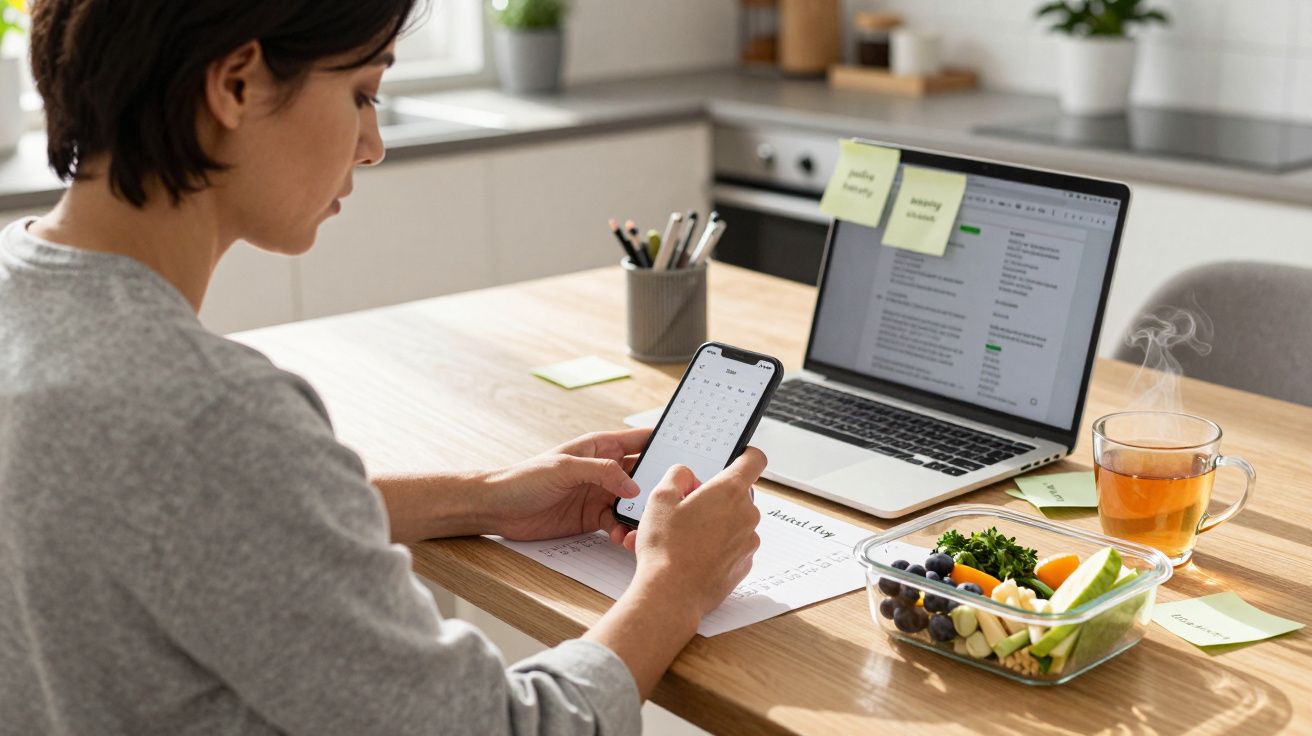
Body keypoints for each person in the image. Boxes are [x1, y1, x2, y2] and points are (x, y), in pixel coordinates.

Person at [0, 2, 764, 734]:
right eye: (360, 93)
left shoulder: (19, 290)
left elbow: (176, 508)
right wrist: (675, 584)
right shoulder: (208, 415)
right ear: (235, 84)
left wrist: (488, 498)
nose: (373, 144)